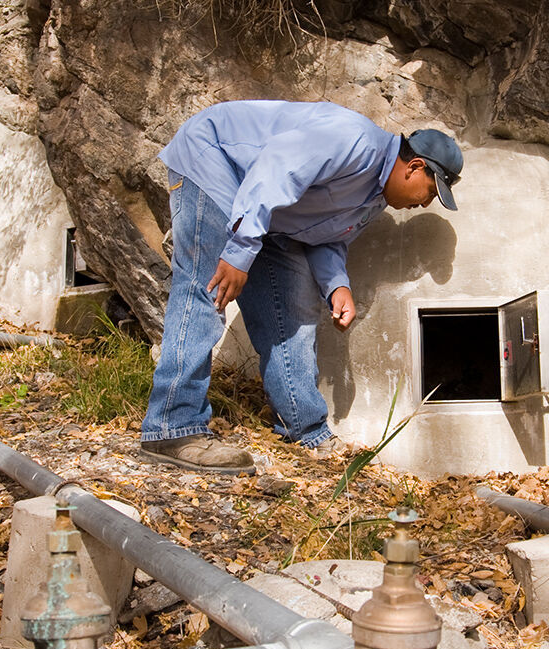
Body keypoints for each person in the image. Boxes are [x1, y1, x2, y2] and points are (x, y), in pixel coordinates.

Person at [139, 100, 463, 474]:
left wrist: (336, 285)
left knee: (291, 311)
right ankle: (172, 427)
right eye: (430, 192)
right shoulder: (352, 139)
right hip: (214, 165)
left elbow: (325, 237)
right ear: (415, 167)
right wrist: (240, 250)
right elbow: (277, 170)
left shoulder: (375, 200)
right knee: (208, 288)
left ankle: (305, 430)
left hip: (268, 214)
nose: (424, 204)